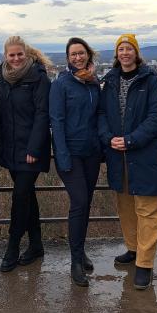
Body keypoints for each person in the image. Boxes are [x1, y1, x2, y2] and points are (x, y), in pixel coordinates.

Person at [98, 34, 157, 290]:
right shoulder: (110, 81)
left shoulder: (151, 80)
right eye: (121, 49)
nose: (125, 53)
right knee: (126, 205)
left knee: (149, 210)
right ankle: (132, 249)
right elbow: (102, 114)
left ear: (136, 53)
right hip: (118, 155)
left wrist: (131, 140)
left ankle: (145, 264)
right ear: (117, 54)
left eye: (129, 49)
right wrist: (108, 138)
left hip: (145, 154)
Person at [49, 37, 101, 287]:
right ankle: (75, 261)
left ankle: (80, 251)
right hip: (69, 153)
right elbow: (56, 121)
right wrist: (61, 154)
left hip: (91, 153)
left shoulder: (94, 83)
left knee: (86, 203)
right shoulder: (62, 84)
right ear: (68, 58)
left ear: (88, 56)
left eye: (81, 53)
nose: (77, 57)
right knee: (79, 202)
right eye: (73, 54)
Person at [0, 35, 52, 272]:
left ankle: (13, 245)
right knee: (27, 195)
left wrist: (34, 148)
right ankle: (36, 244)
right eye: (12, 55)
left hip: (31, 149)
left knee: (20, 196)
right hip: (11, 148)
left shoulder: (38, 78)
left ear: (27, 54)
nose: (16, 58)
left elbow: (42, 114)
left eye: (20, 54)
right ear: (6, 57)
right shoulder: (3, 78)